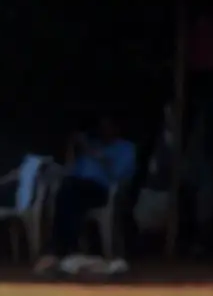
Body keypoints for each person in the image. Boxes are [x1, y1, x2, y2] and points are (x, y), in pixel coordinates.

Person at [34, 113, 137, 274]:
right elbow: (72, 170)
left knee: (70, 194)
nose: (105, 130)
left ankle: (59, 249)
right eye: (102, 127)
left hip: (101, 190)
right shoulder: (91, 146)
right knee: (65, 194)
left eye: (108, 126)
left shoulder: (125, 148)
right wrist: (73, 147)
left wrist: (96, 154)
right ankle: (65, 249)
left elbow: (118, 175)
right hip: (77, 188)